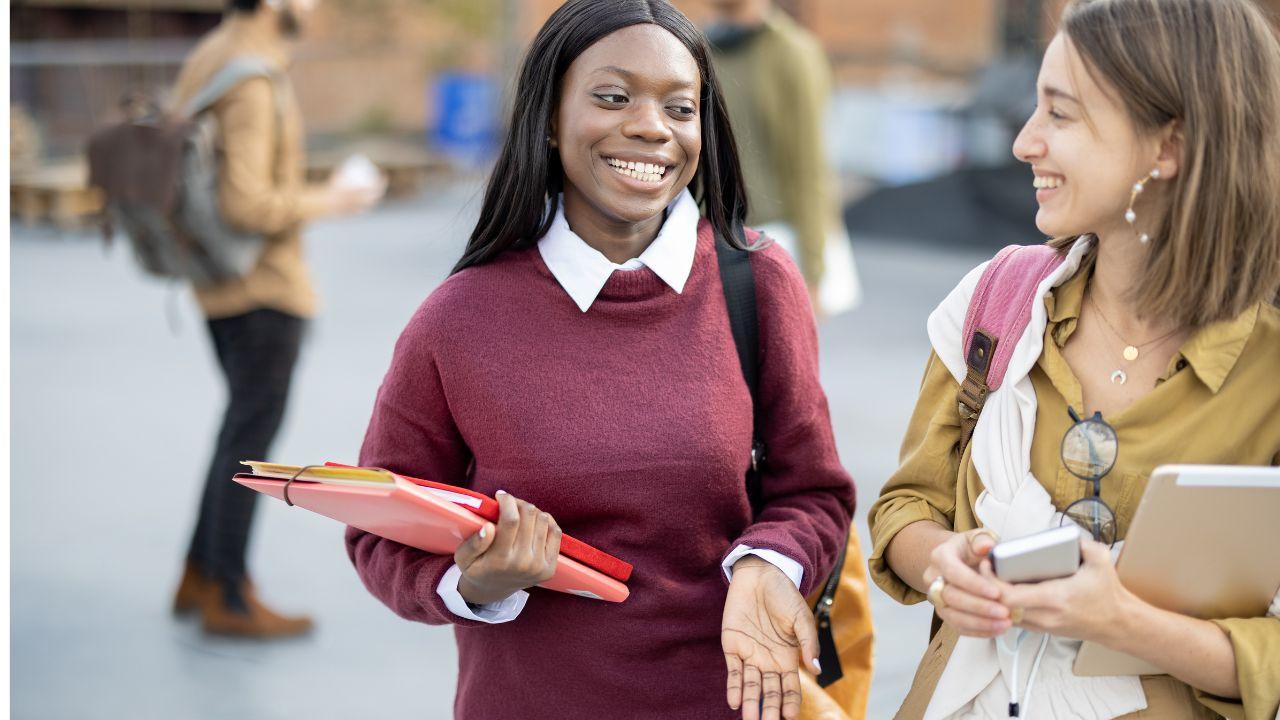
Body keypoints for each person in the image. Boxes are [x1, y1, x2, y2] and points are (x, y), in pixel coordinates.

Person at [344, 1, 854, 718]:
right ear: (549, 118)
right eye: (613, 97)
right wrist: (476, 582)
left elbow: (815, 493)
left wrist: (768, 564)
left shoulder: (759, 283)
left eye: (680, 107)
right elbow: (379, 530)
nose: (651, 126)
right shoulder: (457, 318)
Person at [868, 0, 1280, 717]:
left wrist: (1122, 622)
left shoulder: (1268, 371)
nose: (1025, 142)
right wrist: (941, 565)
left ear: (1168, 147)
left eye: (1060, 115)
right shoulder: (995, 302)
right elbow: (906, 506)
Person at [168, 0, 382, 637]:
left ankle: (199, 574)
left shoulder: (211, 54)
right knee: (247, 443)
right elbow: (248, 203)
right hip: (262, 290)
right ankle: (228, 598)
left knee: (235, 430)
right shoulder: (253, 76)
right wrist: (336, 199)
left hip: (215, 283)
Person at [705, 0, 860, 317]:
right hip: (710, 238)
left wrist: (814, 272)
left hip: (773, 239)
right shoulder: (698, 44)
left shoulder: (792, 52)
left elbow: (811, 165)